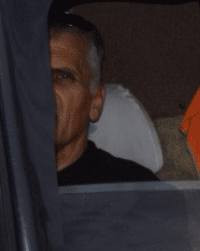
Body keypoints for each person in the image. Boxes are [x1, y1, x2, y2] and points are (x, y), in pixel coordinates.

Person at [49, 11, 159, 186]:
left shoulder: (136, 192)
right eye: (34, 76)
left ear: (95, 102)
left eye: (63, 77)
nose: (44, 90)